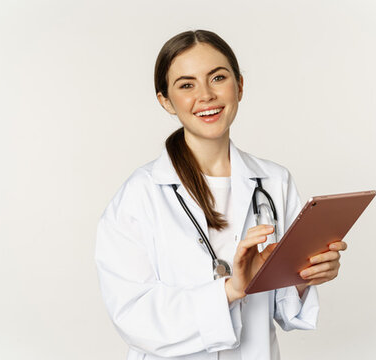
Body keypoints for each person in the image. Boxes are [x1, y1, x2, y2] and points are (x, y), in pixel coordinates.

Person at [94, 29, 348, 360]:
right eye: (186, 85)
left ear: (239, 86)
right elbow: (133, 317)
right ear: (166, 101)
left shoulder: (274, 182)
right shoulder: (139, 195)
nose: (206, 95)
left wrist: (305, 278)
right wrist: (230, 290)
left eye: (217, 78)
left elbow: (285, 310)